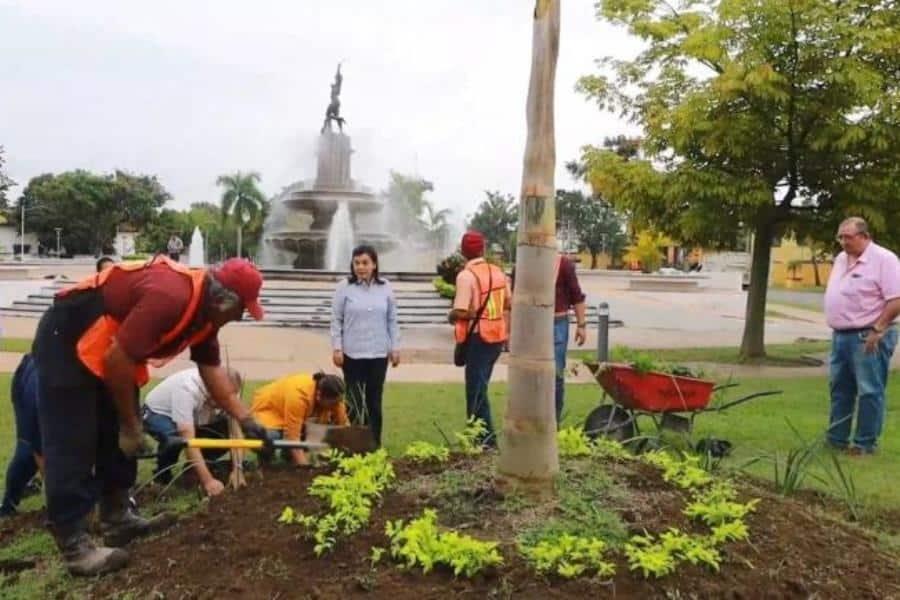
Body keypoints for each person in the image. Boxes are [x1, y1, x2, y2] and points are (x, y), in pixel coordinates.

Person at [31, 255, 270, 576]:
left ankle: (117, 518)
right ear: (223, 299)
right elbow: (118, 359)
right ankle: (74, 544)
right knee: (74, 436)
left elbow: (213, 374)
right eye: (240, 309)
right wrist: (131, 425)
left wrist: (249, 421)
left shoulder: (205, 315)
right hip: (69, 337)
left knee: (116, 430)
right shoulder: (170, 297)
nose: (239, 317)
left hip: (112, 350)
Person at [2, 257, 117, 517]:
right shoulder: (81, 302)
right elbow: (44, 452)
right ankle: (8, 506)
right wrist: (58, 500)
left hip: (74, 373)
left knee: (84, 443)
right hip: (37, 375)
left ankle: (88, 500)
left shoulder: (112, 309)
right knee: (29, 447)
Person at [824, 217, 900, 455]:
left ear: (865, 236)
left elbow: (896, 299)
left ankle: (865, 444)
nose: (843, 242)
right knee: (839, 388)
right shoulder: (840, 259)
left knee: (869, 390)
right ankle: (837, 439)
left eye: (849, 237)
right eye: (840, 237)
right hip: (841, 335)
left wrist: (878, 329)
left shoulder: (884, 259)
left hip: (868, 334)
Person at [330, 245, 399, 447]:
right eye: (357, 263)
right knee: (354, 402)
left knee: (374, 401)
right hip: (352, 354)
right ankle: (358, 442)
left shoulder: (385, 287)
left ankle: (374, 444)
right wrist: (337, 347)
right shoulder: (344, 287)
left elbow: (392, 320)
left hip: (378, 354)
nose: (361, 267)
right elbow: (336, 319)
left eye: (365, 263)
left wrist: (395, 347)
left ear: (374, 264)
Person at [448, 231, 511, 448]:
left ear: (463, 251)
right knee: (480, 387)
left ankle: (485, 440)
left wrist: (453, 315)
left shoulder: (466, 276)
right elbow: (507, 304)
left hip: (478, 338)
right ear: (483, 249)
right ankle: (480, 438)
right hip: (496, 337)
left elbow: (463, 310)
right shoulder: (498, 272)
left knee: (475, 390)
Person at [142, 367, 243, 497]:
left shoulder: (229, 391)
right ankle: (161, 477)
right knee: (175, 439)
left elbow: (235, 431)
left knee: (222, 431)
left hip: (195, 414)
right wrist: (208, 481)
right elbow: (188, 438)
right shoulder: (187, 389)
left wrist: (237, 470)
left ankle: (193, 469)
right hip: (158, 414)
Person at [250, 372, 349, 465]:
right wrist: (307, 471)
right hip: (268, 412)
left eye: (338, 402)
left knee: (315, 433)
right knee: (271, 437)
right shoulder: (298, 397)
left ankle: (288, 459)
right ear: (319, 395)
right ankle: (266, 462)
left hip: (290, 415)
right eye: (332, 404)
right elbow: (293, 439)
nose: (335, 406)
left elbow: (345, 429)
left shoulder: (335, 399)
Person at [0, 354, 42, 517]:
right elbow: (40, 453)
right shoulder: (37, 395)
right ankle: (7, 504)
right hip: (25, 380)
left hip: (51, 373)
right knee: (26, 452)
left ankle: (27, 484)